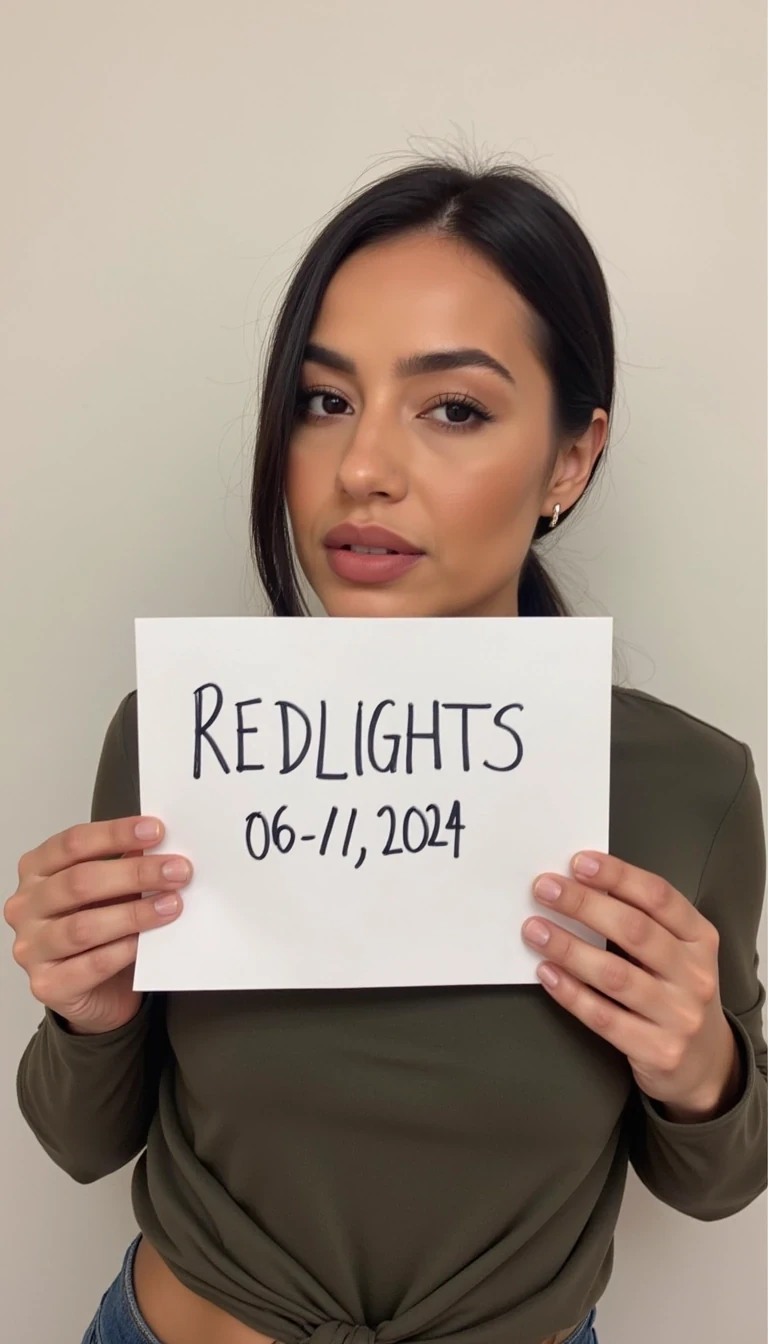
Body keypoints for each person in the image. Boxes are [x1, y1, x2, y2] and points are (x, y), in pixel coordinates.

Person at [7, 158, 767, 1344]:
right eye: (323, 401)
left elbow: (717, 1182)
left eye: (453, 408)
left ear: (571, 457)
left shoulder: (689, 790)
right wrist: (87, 1014)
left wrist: (702, 1067)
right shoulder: (179, 736)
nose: (363, 468)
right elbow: (79, 1139)